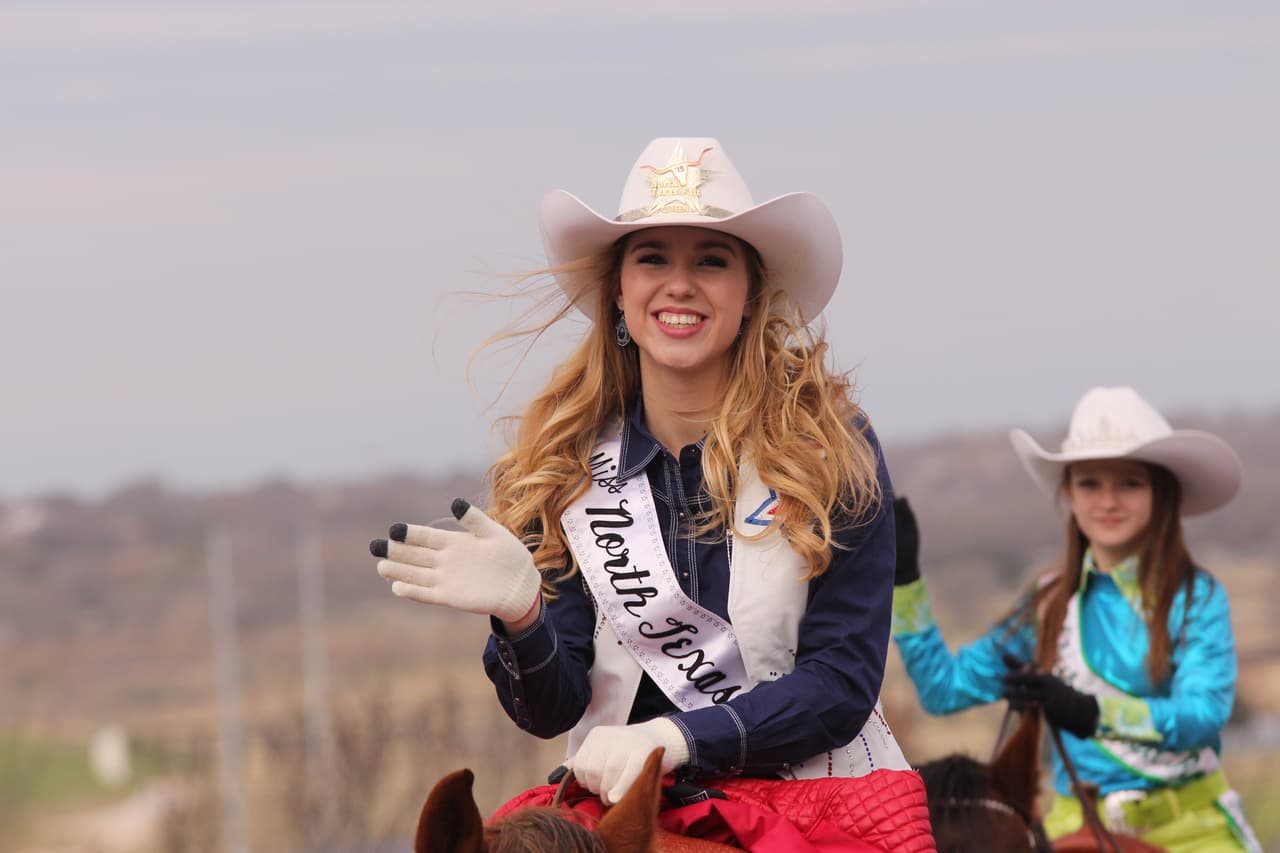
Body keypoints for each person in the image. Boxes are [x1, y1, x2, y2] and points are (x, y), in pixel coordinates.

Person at [369, 137, 912, 812]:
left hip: (813, 800)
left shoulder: (828, 449)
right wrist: (521, 616)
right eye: (652, 258)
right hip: (629, 804)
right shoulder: (562, 469)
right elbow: (550, 709)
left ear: (750, 294)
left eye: (711, 260)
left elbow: (841, 680)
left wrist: (676, 736)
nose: (679, 284)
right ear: (619, 293)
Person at [892, 386, 1261, 853]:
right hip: (1075, 822)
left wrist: (1089, 711)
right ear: (1068, 492)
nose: (1108, 501)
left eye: (1129, 483)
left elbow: (1202, 716)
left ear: (1160, 492)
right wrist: (905, 583)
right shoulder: (1047, 604)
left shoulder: (1195, 597)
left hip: (1190, 826)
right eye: (1090, 484)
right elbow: (943, 690)